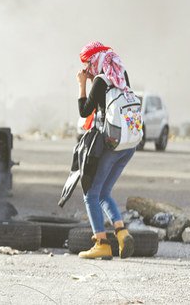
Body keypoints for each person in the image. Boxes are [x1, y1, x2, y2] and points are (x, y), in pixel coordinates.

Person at [76, 41, 135, 260]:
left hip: (111, 144)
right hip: (128, 145)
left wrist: (82, 84)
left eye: (87, 64)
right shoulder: (121, 75)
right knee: (104, 193)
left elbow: (84, 111)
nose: (87, 69)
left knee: (90, 194)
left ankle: (101, 243)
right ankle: (121, 233)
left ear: (94, 61)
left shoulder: (100, 81)